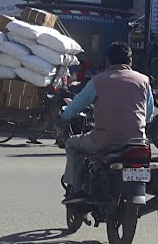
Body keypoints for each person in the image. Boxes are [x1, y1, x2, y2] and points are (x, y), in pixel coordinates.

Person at [58, 43, 153, 204]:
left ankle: (78, 190)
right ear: (130, 61)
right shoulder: (144, 80)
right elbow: (149, 115)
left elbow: (76, 105)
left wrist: (64, 114)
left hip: (104, 140)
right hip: (138, 142)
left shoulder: (98, 81)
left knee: (72, 144)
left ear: (108, 61)